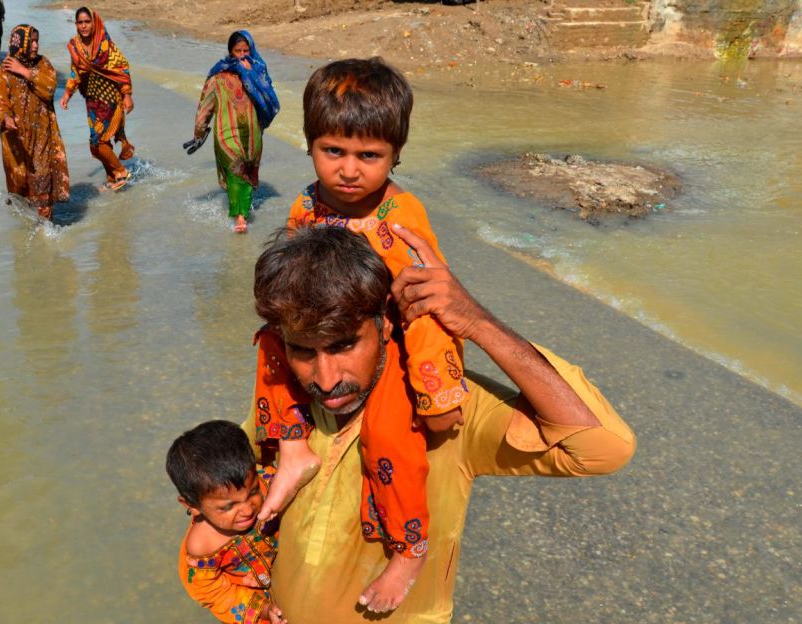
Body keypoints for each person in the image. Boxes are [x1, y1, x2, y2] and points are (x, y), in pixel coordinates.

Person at [244, 225, 636, 622]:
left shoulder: (449, 411)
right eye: (302, 351)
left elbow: (602, 448)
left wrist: (477, 323)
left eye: (343, 345)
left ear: (385, 323)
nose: (325, 380)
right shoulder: (287, 399)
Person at [251, 58, 465, 612]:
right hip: (321, 334)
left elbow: (429, 313)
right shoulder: (305, 207)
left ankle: (409, 547)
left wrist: (436, 393)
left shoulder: (402, 220)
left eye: (369, 156)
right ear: (308, 145)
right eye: (333, 152)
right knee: (270, 345)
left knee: (391, 438)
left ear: (396, 154)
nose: (349, 170)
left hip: (389, 345)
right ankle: (293, 449)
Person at [166, 420, 288, 624]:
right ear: (192, 505)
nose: (248, 509)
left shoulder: (270, 481)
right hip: (255, 601)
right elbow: (213, 593)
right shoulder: (202, 547)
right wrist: (262, 610)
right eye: (227, 507)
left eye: (253, 492)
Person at [189, 30, 280, 233]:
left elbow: (270, 100)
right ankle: (240, 216)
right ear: (230, 52)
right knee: (234, 167)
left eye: (246, 50)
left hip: (252, 134)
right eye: (237, 51)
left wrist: (251, 75)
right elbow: (205, 107)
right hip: (225, 133)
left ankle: (242, 210)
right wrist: (198, 132)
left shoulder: (259, 73)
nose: (242, 55)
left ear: (252, 50)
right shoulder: (218, 76)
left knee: (247, 172)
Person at [0, 24, 70, 221]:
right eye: (31, 41)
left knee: (42, 180)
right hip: (16, 140)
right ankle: (28, 234)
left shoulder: (43, 64)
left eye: (36, 41)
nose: (35, 46)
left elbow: (50, 88)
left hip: (42, 136)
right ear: (20, 43)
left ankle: (47, 229)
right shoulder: (4, 71)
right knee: (20, 188)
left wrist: (25, 72)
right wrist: (5, 118)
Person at [60, 7, 135, 192]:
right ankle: (112, 179)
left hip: (110, 97)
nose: (84, 26)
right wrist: (67, 94)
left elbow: (122, 67)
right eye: (80, 22)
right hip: (92, 100)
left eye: (87, 21)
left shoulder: (104, 43)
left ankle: (121, 171)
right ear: (76, 24)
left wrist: (127, 95)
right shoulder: (75, 46)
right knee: (98, 144)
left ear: (93, 23)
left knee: (98, 142)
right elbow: (74, 72)